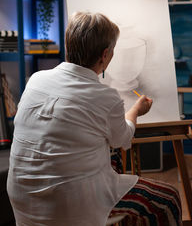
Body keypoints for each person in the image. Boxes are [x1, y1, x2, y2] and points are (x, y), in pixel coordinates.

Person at [7, 12, 182, 226]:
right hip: (69, 203)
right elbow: (122, 139)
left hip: (22, 198)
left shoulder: (36, 80)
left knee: (109, 154)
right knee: (168, 199)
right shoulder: (105, 96)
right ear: (105, 55)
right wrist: (135, 111)